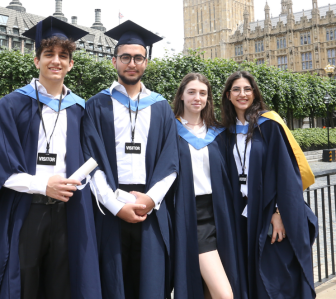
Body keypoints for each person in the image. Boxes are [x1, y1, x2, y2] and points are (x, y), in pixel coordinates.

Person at [0, 16, 102, 299]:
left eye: (63, 56)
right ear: (36, 61)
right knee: (24, 285)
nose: (56, 61)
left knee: (62, 285)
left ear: (71, 64)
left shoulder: (79, 109)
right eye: (49, 55)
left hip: (68, 211)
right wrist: (43, 185)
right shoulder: (11, 105)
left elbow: (91, 157)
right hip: (26, 210)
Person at [81, 20, 178, 299]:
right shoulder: (97, 104)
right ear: (114, 61)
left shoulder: (160, 107)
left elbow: (170, 162)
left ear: (146, 62)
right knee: (113, 284)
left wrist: (151, 199)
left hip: (149, 207)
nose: (131, 63)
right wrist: (114, 204)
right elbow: (91, 160)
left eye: (138, 58)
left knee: (150, 285)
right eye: (125, 57)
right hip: (110, 208)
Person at [219, 70, 318, 299]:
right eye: (236, 89)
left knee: (274, 278)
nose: (242, 94)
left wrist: (278, 211)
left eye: (247, 89)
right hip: (241, 216)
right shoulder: (225, 132)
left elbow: (285, 173)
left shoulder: (269, 124)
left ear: (254, 93)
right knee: (248, 275)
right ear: (228, 95)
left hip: (267, 213)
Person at [173, 73, 237, 299]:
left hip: (220, 213)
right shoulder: (170, 130)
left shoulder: (219, 133)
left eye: (202, 93)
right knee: (224, 294)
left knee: (209, 291)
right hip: (191, 215)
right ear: (181, 95)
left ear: (208, 98)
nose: (197, 98)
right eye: (191, 92)